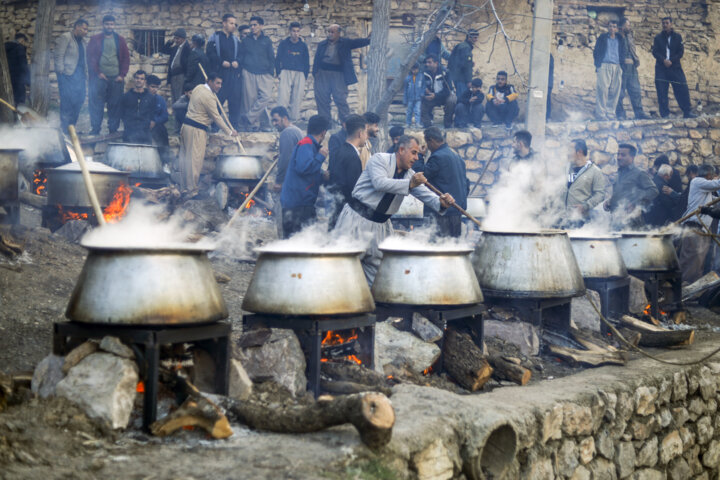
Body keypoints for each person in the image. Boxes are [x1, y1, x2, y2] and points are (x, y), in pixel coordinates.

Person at [331, 135, 454, 284]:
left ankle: (373, 305)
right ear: (401, 150)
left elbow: (427, 195)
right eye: (413, 152)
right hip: (356, 219)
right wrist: (409, 185)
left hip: (381, 225)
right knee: (344, 266)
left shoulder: (409, 175)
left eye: (417, 154)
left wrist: (441, 203)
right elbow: (380, 183)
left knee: (378, 273)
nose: (416, 158)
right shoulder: (379, 159)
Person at [179, 73, 238, 194]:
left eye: (221, 83)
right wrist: (230, 132)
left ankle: (184, 187)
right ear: (209, 81)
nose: (219, 86)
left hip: (186, 127)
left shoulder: (198, 87)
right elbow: (216, 117)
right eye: (217, 83)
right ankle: (191, 190)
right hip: (196, 130)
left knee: (185, 158)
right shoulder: (209, 97)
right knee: (194, 161)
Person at [280, 115, 331, 238]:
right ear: (323, 133)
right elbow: (304, 168)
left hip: (302, 203)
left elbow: (307, 170)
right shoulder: (306, 144)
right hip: (297, 204)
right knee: (297, 243)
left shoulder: (309, 145)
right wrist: (321, 157)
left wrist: (321, 174)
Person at [312, 24, 370, 123]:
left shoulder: (345, 43)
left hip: (338, 75)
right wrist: (316, 73)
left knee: (340, 99)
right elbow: (317, 59)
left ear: (339, 33)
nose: (330, 34)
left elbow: (357, 42)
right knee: (322, 99)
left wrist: (369, 39)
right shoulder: (322, 44)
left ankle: (345, 124)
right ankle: (325, 124)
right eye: (329, 32)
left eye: (332, 32)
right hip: (323, 74)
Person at [87, 15, 130, 135]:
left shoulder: (120, 40)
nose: (109, 26)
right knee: (96, 104)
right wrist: (98, 73)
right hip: (99, 78)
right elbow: (90, 58)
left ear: (114, 25)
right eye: (107, 24)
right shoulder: (95, 39)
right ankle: (95, 129)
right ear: (103, 25)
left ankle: (113, 129)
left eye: (111, 24)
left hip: (116, 78)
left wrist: (122, 75)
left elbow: (126, 58)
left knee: (115, 105)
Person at [677, 164, 720, 283]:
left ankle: (692, 291)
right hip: (694, 227)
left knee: (698, 262)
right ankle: (683, 289)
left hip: (702, 229)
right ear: (708, 175)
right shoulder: (697, 181)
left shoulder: (707, 189)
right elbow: (717, 184)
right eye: (712, 176)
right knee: (690, 260)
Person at [423, 127, 468, 237]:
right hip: (456, 211)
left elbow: (421, 176)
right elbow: (467, 184)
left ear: (431, 141)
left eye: (427, 143)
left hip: (442, 213)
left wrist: (420, 156)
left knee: (438, 249)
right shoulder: (457, 156)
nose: (427, 148)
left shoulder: (437, 157)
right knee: (453, 248)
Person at [603, 143, 658, 229]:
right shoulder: (619, 174)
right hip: (615, 222)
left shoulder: (639, 173)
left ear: (632, 158)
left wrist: (635, 203)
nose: (619, 157)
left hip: (632, 223)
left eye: (623, 155)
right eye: (618, 154)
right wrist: (609, 201)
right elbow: (622, 194)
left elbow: (653, 191)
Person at [327, 114, 367, 230]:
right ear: (360, 133)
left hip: (336, 205)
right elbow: (354, 188)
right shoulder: (352, 156)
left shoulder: (340, 151)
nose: (366, 137)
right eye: (365, 133)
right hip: (345, 211)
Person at [270, 106, 304, 238]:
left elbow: (286, 160)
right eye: (272, 121)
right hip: (297, 183)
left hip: (288, 184)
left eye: (276, 120)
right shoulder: (296, 130)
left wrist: (279, 182)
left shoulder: (287, 133)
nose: (274, 124)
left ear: (285, 118)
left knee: (284, 220)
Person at [652, 17, 695, 119]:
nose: (665, 25)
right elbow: (655, 52)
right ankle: (665, 114)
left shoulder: (677, 37)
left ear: (671, 24)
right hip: (661, 68)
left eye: (667, 23)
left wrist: (671, 60)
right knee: (661, 91)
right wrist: (663, 60)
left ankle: (687, 112)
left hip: (675, 67)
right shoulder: (657, 38)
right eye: (663, 23)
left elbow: (681, 52)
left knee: (682, 88)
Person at [239, 16, 275, 130]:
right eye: (251, 25)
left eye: (255, 25)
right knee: (249, 100)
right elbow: (241, 56)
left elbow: (271, 57)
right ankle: (253, 126)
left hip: (264, 73)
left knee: (266, 97)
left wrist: (271, 72)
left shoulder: (267, 40)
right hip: (249, 72)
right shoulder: (246, 40)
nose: (253, 27)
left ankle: (249, 118)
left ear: (261, 26)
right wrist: (242, 71)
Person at [207, 14, 242, 128]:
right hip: (219, 75)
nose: (234, 26)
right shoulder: (215, 37)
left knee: (234, 102)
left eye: (235, 24)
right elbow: (210, 53)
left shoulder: (235, 39)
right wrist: (221, 62)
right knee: (218, 101)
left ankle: (234, 128)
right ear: (224, 23)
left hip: (233, 76)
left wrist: (237, 61)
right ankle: (215, 127)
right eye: (231, 23)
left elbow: (242, 55)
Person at [54, 19, 88, 133]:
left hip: (80, 78)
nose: (86, 32)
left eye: (87, 29)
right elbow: (58, 55)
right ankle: (64, 130)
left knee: (79, 101)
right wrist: (60, 72)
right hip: (67, 76)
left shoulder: (83, 42)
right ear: (77, 27)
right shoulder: (66, 37)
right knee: (67, 104)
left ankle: (71, 127)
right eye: (84, 29)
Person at [564, 139, 606, 228]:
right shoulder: (565, 169)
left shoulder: (595, 171)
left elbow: (600, 194)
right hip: (562, 220)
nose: (567, 153)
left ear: (579, 152)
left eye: (570, 150)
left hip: (582, 221)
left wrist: (585, 206)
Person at [276, 22, 309, 122]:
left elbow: (306, 61)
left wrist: (305, 75)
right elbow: (278, 59)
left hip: (299, 73)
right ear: (290, 32)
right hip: (286, 71)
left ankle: (294, 119)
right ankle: (280, 119)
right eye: (294, 31)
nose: (296, 33)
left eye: (298, 31)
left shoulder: (303, 45)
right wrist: (279, 73)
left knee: (297, 97)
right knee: (283, 97)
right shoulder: (284, 44)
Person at [592, 20, 625, 121]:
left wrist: (622, 65)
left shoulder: (620, 39)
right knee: (602, 89)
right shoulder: (602, 38)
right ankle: (601, 114)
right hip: (604, 65)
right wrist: (598, 65)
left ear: (617, 29)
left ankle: (611, 113)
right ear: (608, 28)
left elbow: (623, 51)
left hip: (617, 66)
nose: (612, 28)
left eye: (614, 27)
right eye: (610, 26)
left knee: (615, 90)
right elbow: (596, 51)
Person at [615, 18, 648, 120]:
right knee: (620, 91)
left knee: (635, 90)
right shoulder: (617, 37)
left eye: (629, 25)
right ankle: (620, 114)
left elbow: (632, 50)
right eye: (627, 25)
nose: (629, 27)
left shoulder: (630, 36)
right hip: (622, 67)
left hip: (632, 67)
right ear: (622, 27)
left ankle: (639, 113)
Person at [120, 70, 155, 144]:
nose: (139, 80)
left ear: (145, 81)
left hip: (145, 131)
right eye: (137, 78)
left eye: (142, 79)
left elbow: (153, 112)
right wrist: (127, 122)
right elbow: (121, 112)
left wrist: (152, 121)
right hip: (129, 131)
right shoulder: (126, 96)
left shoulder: (150, 97)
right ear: (134, 79)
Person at [420, 54, 455, 128]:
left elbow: (448, 90)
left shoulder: (445, 72)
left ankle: (447, 123)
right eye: (426, 62)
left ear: (436, 63)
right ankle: (427, 125)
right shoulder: (424, 73)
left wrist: (436, 95)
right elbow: (419, 86)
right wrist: (424, 92)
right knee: (420, 101)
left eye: (429, 62)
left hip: (444, 96)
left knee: (452, 100)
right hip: (430, 96)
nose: (427, 64)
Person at [160, 28, 190, 104]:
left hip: (181, 76)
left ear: (183, 39)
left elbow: (187, 64)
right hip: (173, 76)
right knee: (174, 97)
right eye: (175, 38)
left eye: (178, 38)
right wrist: (170, 42)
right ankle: (175, 114)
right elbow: (164, 50)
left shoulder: (187, 48)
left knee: (179, 97)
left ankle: (179, 114)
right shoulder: (175, 48)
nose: (176, 40)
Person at [146, 75, 170, 163]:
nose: (155, 90)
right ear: (147, 85)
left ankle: (165, 161)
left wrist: (155, 121)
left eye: (157, 87)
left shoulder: (160, 99)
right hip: (142, 125)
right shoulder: (142, 97)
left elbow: (165, 116)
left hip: (156, 126)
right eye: (152, 87)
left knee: (162, 132)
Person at [447, 29, 478, 99]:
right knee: (462, 99)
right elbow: (467, 67)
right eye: (475, 37)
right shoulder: (466, 48)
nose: (476, 40)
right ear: (469, 37)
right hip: (461, 78)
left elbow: (454, 60)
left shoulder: (461, 45)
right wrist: (469, 81)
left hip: (456, 76)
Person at [4, 33, 30, 106]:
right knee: (19, 100)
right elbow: (23, 65)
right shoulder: (19, 48)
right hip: (18, 78)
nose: (25, 44)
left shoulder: (5, 47)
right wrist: (29, 81)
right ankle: (18, 114)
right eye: (25, 42)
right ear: (22, 40)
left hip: (6, 77)